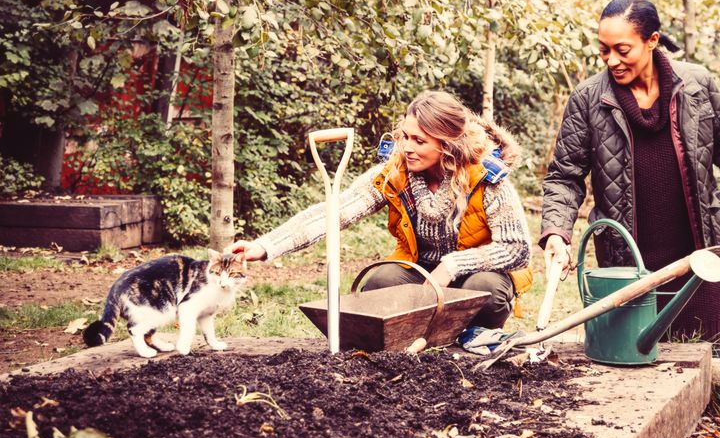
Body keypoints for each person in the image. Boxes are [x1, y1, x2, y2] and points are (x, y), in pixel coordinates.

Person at [540, 0, 720, 355]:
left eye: (622, 49)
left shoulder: (697, 84)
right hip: (626, 261)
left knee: (701, 354)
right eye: (603, 50)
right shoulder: (588, 99)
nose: (612, 60)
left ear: (652, 40)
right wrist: (556, 232)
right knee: (633, 356)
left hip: (697, 254)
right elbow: (565, 176)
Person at [226, 90, 534, 330]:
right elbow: (335, 212)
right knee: (379, 284)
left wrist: (453, 265)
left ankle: (471, 337)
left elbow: (517, 249)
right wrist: (264, 246)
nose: (407, 148)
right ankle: (412, 336)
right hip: (421, 275)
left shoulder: (486, 178)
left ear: (447, 144)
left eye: (419, 141)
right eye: (405, 137)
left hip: (474, 276)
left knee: (485, 288)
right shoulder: (394, 174)